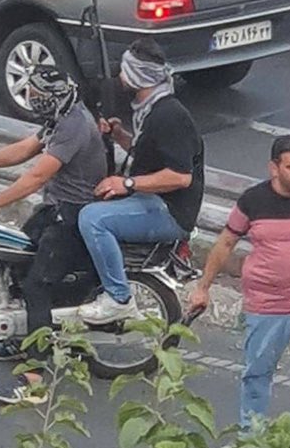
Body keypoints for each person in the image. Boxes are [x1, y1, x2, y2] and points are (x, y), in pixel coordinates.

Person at [0, 66, 107, 404]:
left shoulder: (74, 125)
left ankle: (35, 381)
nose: (32, 99)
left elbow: (36, 177)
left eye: (38, 95)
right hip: (53, 210)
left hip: (72, 217)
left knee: (36, 286)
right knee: (14, 262)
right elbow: (25, 149)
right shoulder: (61, 117)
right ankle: (20, 339)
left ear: (53, 96)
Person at [189, 135, 290, 430]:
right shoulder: (253, 201)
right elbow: (225, 243)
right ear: (274, 168)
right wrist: (203, 288)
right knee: (257, 376)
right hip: (267, 306)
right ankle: (252, 438)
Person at [77, 38, 204, 325]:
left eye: (125, 70)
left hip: (169, 211)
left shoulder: (170, 116)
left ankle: (118, 298)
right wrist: (121, 136)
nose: (120, 76)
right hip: (152, 199)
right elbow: (152, 155)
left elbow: (180, 177)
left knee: (93, 219)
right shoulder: (150, 109)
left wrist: (127, 184)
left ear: (137, 76)